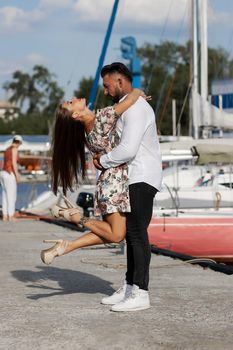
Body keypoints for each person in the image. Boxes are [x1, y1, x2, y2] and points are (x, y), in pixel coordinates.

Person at [40, 88, 149, 265]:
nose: (74, 98)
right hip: (114, 184)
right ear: (75, 114)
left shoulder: (88, 130)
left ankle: (67, 246)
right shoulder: (101, 118)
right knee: (116, 235)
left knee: (111, 232)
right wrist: (137, 92)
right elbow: (129, 102)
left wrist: (135, 98)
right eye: (70, 102)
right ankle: (75, 217)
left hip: (108, 183)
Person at [93, 62, 163, 312]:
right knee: (133, 235)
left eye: (107, 84)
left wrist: (102, 161)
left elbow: (128, 149)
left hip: (142, 176)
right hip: (133, 177)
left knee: (136, 233)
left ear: (120, 82)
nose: (105, 89)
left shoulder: (136, 109)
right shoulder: (132, 105)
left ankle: (141, 292)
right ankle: (131, 285)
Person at [0, 135, 22, 221]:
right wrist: (17, 175)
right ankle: (11, 215)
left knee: (4, 195)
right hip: (9, 173)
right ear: (18, 142)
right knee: (11, 196)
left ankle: (5, 215)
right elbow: (13, 163)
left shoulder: (7, 149)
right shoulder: (14, 149)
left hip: (2, 173)